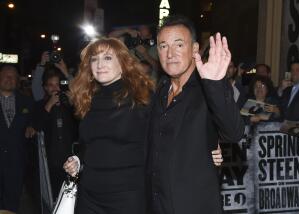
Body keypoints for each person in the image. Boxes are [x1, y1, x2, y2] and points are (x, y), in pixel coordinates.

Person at [63, 37, 224, 214]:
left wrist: (208, 146)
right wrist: (78, 160)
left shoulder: (142, 98)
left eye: (108, 58)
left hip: (129, 197)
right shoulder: (86, 99)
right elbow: (88, 144)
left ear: (123, 63)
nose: (100, 64)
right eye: (94, 59)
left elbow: (173, 128)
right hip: (89, 195)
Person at [147, 15, 244, 214]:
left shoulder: (208, 88)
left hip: (194, 205)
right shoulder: (159, 91)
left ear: (194, 49)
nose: (170, 53)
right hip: (156, 204)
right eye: (163, 46)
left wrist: (216, 83)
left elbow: (234, 132)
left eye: (179, 45)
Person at [32, 68, 78, 200]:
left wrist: (73, 102)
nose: (55, 88)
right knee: (53, 196)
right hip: (50, 161)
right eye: (51, 85)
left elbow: (82, 121)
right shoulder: (40, 105)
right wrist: (49, 105)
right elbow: (36, 126)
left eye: (57, 84)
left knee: (70, 196)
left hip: (70, 159)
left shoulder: (68, 105)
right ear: (46, 88)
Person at [0, 65, 35, 212]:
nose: (10, 79)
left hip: (16, 162)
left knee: (12, 203)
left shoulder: (27, 102)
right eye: (6, 75)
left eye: (13, 76)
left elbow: (34, 120)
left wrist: (32, 126)